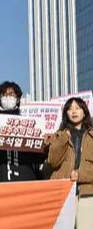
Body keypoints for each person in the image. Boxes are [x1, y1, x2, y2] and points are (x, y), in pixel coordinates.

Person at [0, 81, 45, 182]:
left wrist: (44, 146)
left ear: (17, 99)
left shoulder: (28, 123)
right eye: (4, 95)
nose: (8, 97)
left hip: (25, 180)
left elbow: (39, 158)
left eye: (12, 94)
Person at [46, 97, 93, 227]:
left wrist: (81, 175)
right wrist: (63, 137)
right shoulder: (59, 135)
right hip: (63, 193)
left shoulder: (91, 135)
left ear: (84, 112)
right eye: (70, 109)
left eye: (77, 108)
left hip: (87, 193)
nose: (74, 111)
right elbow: (52, 162)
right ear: (65, 113)